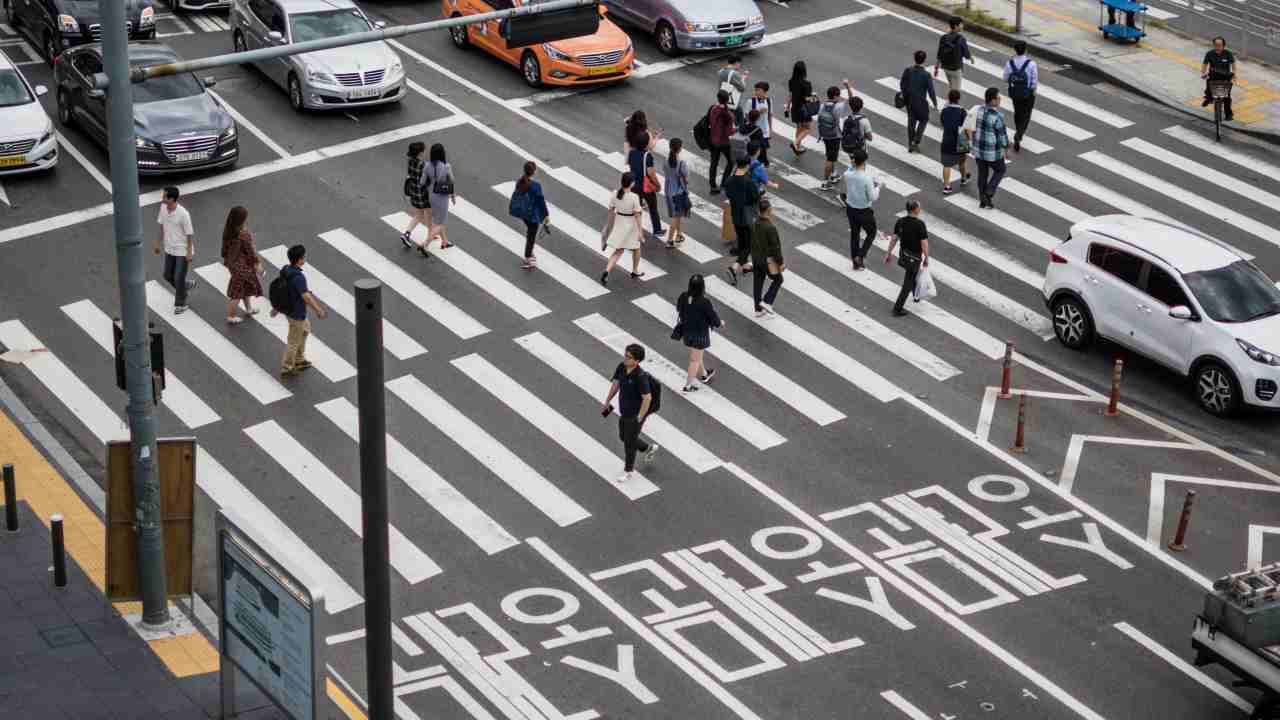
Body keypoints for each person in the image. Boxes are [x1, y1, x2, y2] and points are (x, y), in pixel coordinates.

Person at [601, 343, 659, 483]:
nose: (625, 358)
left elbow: (647, 398)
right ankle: (648, 448)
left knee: (629, 442)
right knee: (623, 436)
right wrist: (608, 400)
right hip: (624, 411)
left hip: (635, 414)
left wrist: (640, 416)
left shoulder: (640, 376)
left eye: (629, 357)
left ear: (637, 361)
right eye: (625, 355)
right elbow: (616, 384)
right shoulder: (622, 367)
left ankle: (628, 470)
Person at [272, 244, 327, 377]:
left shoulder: (286, 270)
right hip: (296, 312)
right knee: (293, 340)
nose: (305, 258)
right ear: (300, 260)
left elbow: (281, 290)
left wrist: (276, 308)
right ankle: (287, 367)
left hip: (291, 310)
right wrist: (318, 310)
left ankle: (299, 359)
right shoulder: (298, 277)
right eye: (303, 257)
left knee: (305, 329)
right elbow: (305, 296)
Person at [675, 274, 722, 392]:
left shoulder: (683, 296)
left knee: (697, 355)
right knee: (694, 360)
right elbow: (714, 319)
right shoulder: (704, 302)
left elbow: (678, 308)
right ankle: (688, 386)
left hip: (686, 331)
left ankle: (704, 374)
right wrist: (720, 323)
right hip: (700, 335)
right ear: (702, 287)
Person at [884, 199, 930, 318]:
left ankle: (916, 295)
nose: (920, 209)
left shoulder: (900, 222)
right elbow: (924, 243)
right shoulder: (920, 224)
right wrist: (926, 257)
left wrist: (888, 253)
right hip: (914, 258)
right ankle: (897, 308)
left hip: (904, 255)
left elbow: (894, 239)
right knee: (908, 283)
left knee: (912, 275)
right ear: (915, 209)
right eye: (919, 207)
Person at [154, 186, 195, 314]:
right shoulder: (163, 208)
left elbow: (189, 234)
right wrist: (157, 243)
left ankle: (180, 304)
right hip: (169, 248)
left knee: (178, 278)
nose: (162, 198)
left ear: (172, 199)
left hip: (182, 250)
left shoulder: (183, 214)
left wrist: (189, 252)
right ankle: (185, 286)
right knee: (167, 275)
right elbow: (161, 227)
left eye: (165, 196)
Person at [600, 172, 646, 284]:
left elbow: (611, 212)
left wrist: (608, 228)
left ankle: (607, 270)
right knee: (636, 248)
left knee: (618, 250)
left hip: (620, 222)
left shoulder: (615, 194)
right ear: (631, 184)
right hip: (631, 225)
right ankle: (635, 270)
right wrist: (640, 232)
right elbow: (637, 215)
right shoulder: (634, 197)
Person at [840, 149, 882, 271]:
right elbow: (873, 197)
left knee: (855, 234)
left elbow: (850, 169)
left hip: (851, 208)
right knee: (871, 233)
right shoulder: (866, 178)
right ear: (864, 162)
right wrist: (878, 187)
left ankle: (855, 261)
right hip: (864, 211)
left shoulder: (847, 175)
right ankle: (860, 255)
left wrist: (853, 164)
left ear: (854, 161)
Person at [220, 206, 263, 324]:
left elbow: (223, 251)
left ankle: (248, 308)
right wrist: (257, 264)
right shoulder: (243, 234)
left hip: (232, 264)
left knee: (245, 287)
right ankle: (231, 316)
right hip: (241, 266)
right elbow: (251, 251)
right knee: (237, 291)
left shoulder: (228, 231)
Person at [723, 156, 760, 285]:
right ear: (747, 166)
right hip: (747, 216)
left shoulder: (729, 180)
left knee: (743, 243)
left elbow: (728, 194)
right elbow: (755, 197)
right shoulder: (748, 182)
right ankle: (734, 268)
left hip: (736, 215)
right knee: (748, 245)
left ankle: (745, 267)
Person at [972, 87, 1010, 209]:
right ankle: (989, 192)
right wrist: (1006, 147)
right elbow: (1001, 135)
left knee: (982, 173)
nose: (1000, 100)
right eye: (998, 98)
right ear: (993, 101)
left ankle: (983, 199)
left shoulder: (978, 110)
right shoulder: (997, 116)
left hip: (978, 149)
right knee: (1000, 169)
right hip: (991, 151)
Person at [511, 161, 550, 270]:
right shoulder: (536, 186)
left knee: (530, 232)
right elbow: (541, 203)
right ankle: (528, 257)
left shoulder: (520, 182)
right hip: (532, 215)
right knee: (531, 236)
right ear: (534, 172)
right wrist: (546, 216)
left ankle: (529, 252)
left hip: (523, 213)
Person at [816, 80, 854, 189]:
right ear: (836, 96)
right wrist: (847, 86)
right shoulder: (838, 107)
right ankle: (825, 182)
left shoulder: (822, 106)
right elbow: (851, 99)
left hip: (824, 134)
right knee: (830, 159)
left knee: (830, 155)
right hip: (834, 135)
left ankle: (833, 175)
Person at [750, 200, 785, 318]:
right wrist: (780, 263)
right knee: (778, 279)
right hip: (768, 261)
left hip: (756, 258)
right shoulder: (770, 227)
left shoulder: (755, 223)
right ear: (769, 210)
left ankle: (758, 309)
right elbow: (776, 248)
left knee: (758, 283)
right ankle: (767, 301)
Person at [628, 131, 665, 239]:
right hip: (646, 186)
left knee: (636, 208)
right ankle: (657, 230)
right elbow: (651, 173)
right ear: (646, 143)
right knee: (653, 208)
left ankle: (633, 229)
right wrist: (657, 185)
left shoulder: (631, 153)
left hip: (634, 185)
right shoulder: (647, 156)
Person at [900, 50, 939, 153]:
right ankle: (916, 141)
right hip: (921, 102)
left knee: (911, 122)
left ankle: (910, 143)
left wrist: (905, 95)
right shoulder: (926, 75)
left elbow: (902, 84)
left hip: (910, 101)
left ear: (915, 59)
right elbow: (931, 91)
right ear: (924, 60)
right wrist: (935, 103)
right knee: (924, 119)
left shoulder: (908, 70)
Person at [420, 143, 457, 251]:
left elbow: (422, 182)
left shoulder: (427, 165)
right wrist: (453, 195)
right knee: (440, 223)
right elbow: (452, 180)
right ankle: (425, 243)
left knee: (439, 219)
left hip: (431, 195)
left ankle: (444, 241)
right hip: (442, 197)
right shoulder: (446, 166)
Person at [1003, 41, 1038, 152]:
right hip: (1028, 93)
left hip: (1015, 93)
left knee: (1018, 112)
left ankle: (1018, 130)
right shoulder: (1031, 64)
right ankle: (1019, 135)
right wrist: (1033, 90)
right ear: (1025, 50)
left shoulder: (1010, 63)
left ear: (1015, 50)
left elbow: (1005, 78)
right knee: (1026, 114)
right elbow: (1034, 80)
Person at [399, 142, 431, 251]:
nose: (426, 151)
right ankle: (431, 234)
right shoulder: (423, 165)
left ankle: (406, 234)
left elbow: (410, 175)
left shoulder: (410, 161)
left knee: (418, 215)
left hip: (414, 191)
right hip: (422, 193)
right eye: (424, 150)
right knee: (429, 214)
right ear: (420, 153)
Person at [939, 89, 971, 195]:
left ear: (949, 98)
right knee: (962, 162)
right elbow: (967, 128)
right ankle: (963, 178)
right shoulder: (962, 112)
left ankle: (947, 186)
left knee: (946, 165)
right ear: (959, 99)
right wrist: (970, 140)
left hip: (947, 140)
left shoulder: (944, 111)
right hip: (960, 141)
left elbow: (943, 123)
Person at [934, 16, 974, 96]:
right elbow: (966, 54)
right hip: (956, 69)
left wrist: (937, 67)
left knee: (952, 87)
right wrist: (971, 58)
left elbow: (940, 53)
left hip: (946, 67)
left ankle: (950, 103)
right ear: (956, 26)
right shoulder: (961, 39)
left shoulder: (944, 38)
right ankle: (949, 106)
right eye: (961, 24)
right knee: (956, 93)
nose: (962, 26)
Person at [707, 90, 737, 194]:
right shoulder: (729, 115)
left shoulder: (713, 109)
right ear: (728, 100)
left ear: (718, 98)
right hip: (724, 142)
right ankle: (724, 183)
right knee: (731, 161)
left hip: (713, 140)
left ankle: (713, 186)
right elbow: (729, 132)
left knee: (714, 163)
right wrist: (736, 129)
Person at [663, 138, 691, 249]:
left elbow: (666, 172)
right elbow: (687, 179)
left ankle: (679, 235)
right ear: (680, 149)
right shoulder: (681, 163)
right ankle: (670, 240)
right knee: (676, 216)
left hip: (668, 190)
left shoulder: (666, 161)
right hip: (678, 192)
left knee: (677, 214)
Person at [1201, 36, 1235, 122]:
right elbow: (1205, 64)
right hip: (1213, 76)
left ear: (1223, 45)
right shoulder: (1209, 53)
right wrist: (1203, 72)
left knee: (1227, 97)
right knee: (1208, 89)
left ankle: (1228, 114)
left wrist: (1234, 74)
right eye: (1216, 45)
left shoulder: (1228, 53)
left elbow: (1233, 64)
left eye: (1220, 45)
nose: (1218, 47)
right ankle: (1209, 98)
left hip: (1225, 78)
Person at [786, 61, 816, 154]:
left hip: (794, 108)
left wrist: (787, 107)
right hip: (804, 109)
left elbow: (790, 95)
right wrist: (814, 97)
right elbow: (807, 98)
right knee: (808, 128)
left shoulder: (791, 81)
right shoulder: (806, 84)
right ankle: (795, 143)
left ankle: (798, 147)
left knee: (799, 128)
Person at [746, 81, 773, 166]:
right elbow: (747, 117)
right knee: (756, 150)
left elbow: (770, 115)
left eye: (758, 90)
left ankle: (761, 163)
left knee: (763, 148)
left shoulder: (769, 101)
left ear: (764, 91)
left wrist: (770, 129)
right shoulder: (751, 102)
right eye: (756, 90)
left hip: (764, 130)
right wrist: (758, 112)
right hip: (754, 131)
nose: (756, 92)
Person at [718, 55, 749, 126]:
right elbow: (742, 88)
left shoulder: (721, 71)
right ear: (736, 63)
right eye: (739, 64)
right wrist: (743, 78)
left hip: (722, 99)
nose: (739, 66)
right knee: (739, 122)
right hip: (732, 102)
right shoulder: (735, 74)